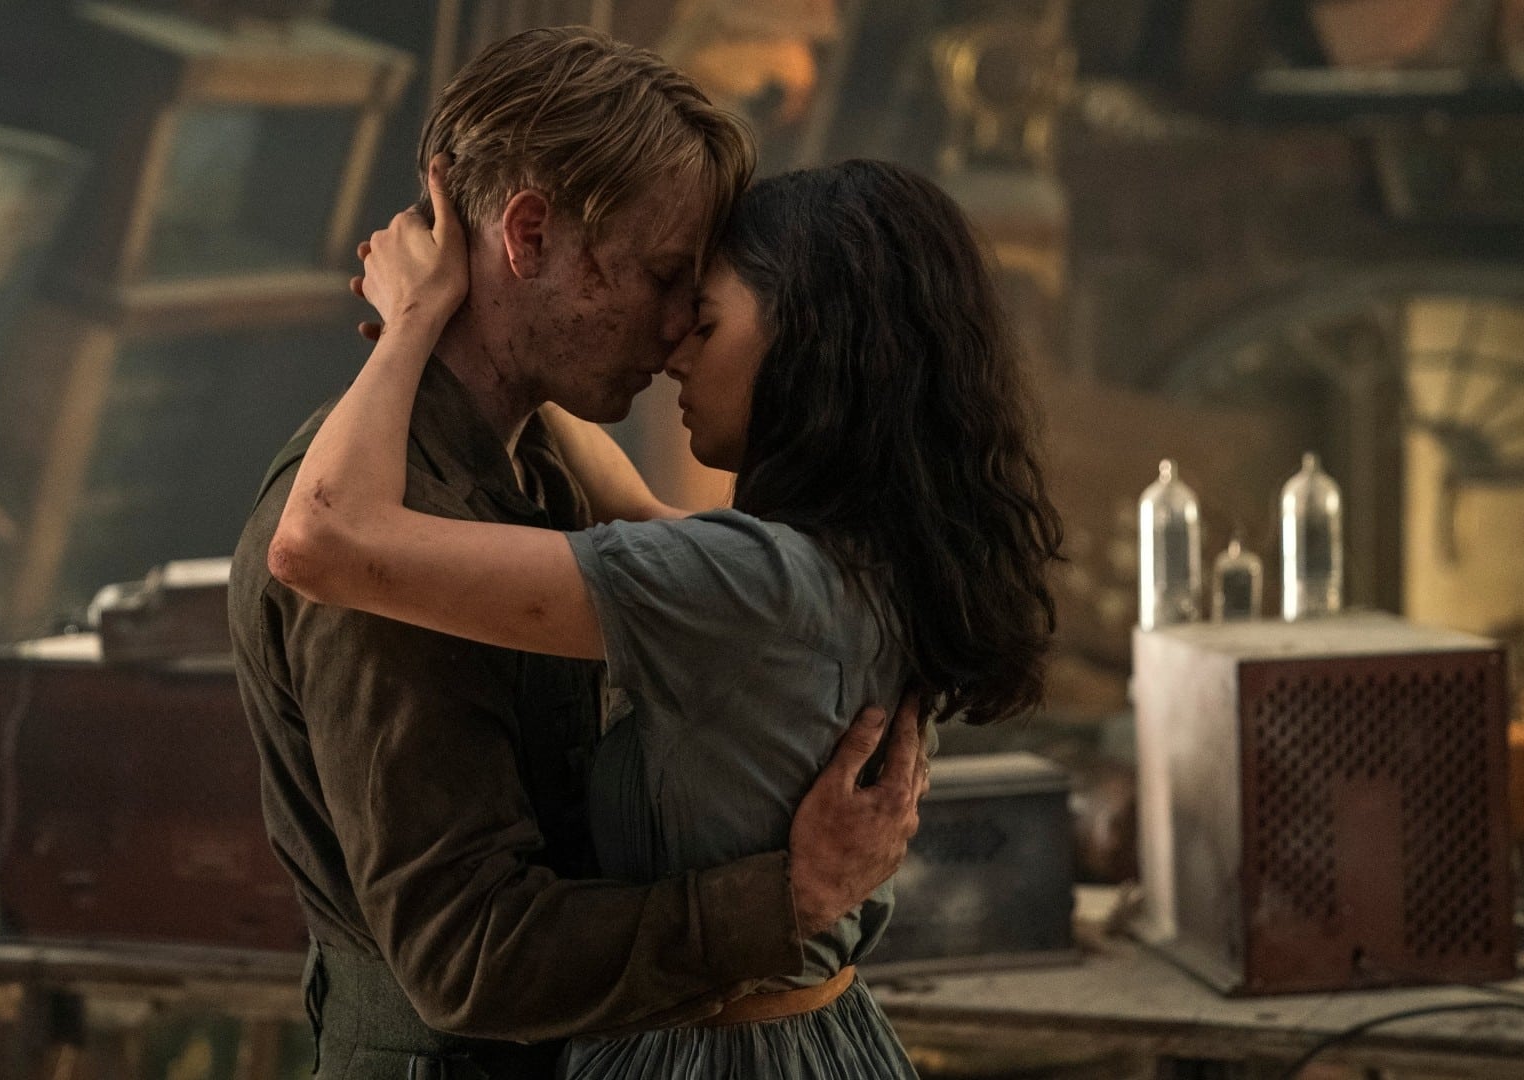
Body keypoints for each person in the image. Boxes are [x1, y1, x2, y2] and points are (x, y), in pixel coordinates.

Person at [268, 153, 1065, 1077]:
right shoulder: (860, 560)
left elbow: (323, 544)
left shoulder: (742, 585)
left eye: (709, 320)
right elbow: (637, 511)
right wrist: (491, 326)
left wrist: (414, 320)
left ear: (809, 342)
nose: (676, 347)